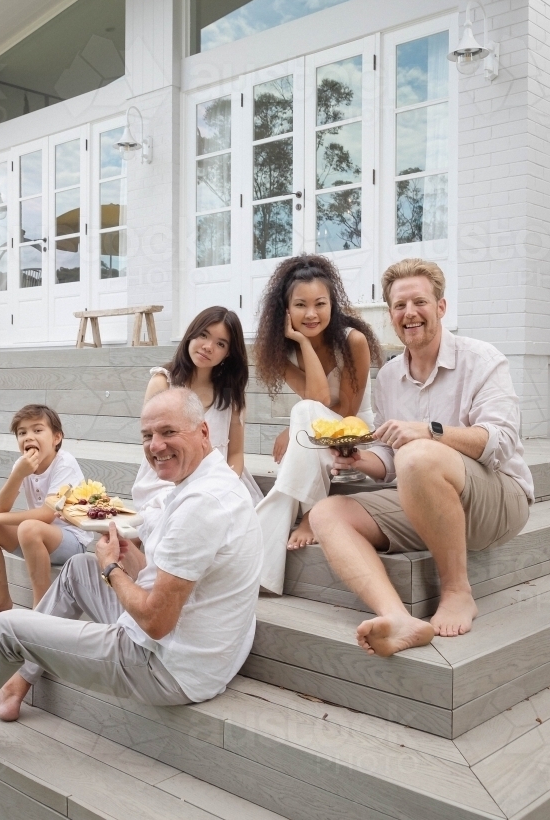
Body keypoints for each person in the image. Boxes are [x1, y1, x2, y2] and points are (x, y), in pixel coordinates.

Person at [0, 388, 264, 740]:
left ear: (203, 432)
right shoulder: (208, 483)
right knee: (81, 568)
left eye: (167, 432)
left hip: (168, 666)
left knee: (7, 628)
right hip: (202, 649)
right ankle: (15, 686)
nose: (156, 446)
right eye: (147, 436)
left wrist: (113, 569)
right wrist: (129, 560)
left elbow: (156, 622)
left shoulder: (201, 505)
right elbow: (178, 579)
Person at [309, 258, 533, 657]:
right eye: (399, 306)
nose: (409, 313)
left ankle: (457, 591)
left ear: (441, 307)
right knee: (327, 513)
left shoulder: (482, 359)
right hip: (428, 500)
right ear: (391, 316)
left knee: (419, 455)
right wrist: (361, 460)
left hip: (497, 500)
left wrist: (429, 431)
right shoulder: (389, 376)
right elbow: (391, 461)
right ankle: (396, 617)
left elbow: (499, 442)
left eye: (420, 302)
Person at [253, 255, 381, 594]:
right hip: (315, 432)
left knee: (304, 413)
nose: (311, 314)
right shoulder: (282, 352)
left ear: (332, 304)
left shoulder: (353, 341)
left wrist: (293, 431)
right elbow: (317, 400)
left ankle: (310, 514)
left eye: (320, 304)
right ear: (285, 310)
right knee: (304, 412)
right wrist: (303, 344)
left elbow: (344, 411)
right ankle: (308, 510)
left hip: (355, 433)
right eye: (300, 305)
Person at [132, 306, 262, 542]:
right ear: (191, 334)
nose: (208, 347)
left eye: (221, 344)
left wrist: (223, 485)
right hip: (167, 476)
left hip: (219, 477)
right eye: (203, 335)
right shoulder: (163, 381)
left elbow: (235, 453)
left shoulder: (231, 394)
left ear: (228, 354)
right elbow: (152, 442)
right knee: (180, 521)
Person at [0, 404, 88, 618]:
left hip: (71, 542)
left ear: (56, 438)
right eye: (22, 432)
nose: (29, 436)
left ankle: (42, 606)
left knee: (29, 528)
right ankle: (0, 599)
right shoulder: (23, 465)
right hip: (35, 539)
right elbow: (0, 509)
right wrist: (18, 475)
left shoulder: (64, 463)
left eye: (37, 430)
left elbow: (48, 514)